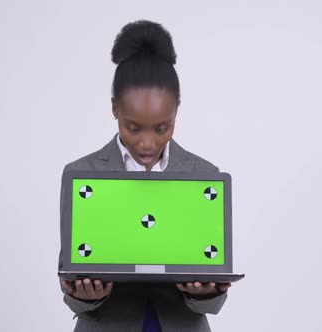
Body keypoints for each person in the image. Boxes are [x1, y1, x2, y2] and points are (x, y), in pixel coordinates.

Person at [58, 20, 231, 332]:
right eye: (133, 127)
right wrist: (82, 294)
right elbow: (69, 276)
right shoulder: (83, 174)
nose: (147, 143)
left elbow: (214, 293)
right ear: (115, 109)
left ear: (176, 112)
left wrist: (207, 292)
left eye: (162, 128)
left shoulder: (205, 176)